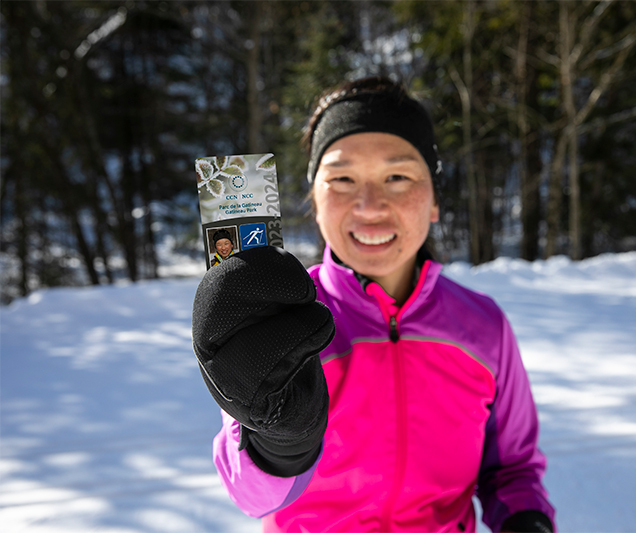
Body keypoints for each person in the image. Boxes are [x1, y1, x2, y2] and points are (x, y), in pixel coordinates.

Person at [192, 77, 555, 532]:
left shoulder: (484, 327)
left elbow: (513, 469)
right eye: (342, 178)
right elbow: (251, 495)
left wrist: (526, 520)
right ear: (315, 200)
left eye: (398, 176)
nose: (369, 206)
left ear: (435, 200)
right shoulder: (275, 321)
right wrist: (280, 444)